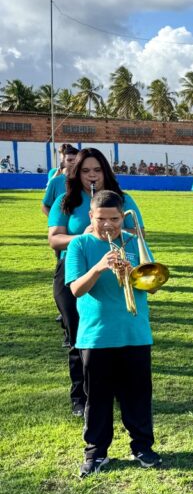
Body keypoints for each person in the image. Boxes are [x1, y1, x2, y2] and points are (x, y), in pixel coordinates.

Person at [65, 190, 161, 478]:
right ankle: (96, 452)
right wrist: (98, 267)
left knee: (138, 396)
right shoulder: (80, 244)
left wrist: (134, 273)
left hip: (135, 332)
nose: (108, 225)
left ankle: (142, 447)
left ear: (123, 217)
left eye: (114, 219)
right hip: (96, 336)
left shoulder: (134, 241)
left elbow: (153, 286)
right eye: (101, 219)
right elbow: (76, 289)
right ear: (91, 217)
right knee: (98, 398)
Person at [47, 148, 145, 417]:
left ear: (106, 172)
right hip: (74, 268)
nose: (92, 176)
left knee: (113, 333)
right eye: (85, 171)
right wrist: (84, 236)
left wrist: (110, 228)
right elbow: (54, 238)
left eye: (97, 170)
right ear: (76, 173)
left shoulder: (122, 199)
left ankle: (115, 391)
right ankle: (81, 395)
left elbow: (139, 232)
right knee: (78, 334)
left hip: (116, 266)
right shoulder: (66, 200)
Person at [42, 144, 79, 218]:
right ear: (64, 161)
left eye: (75, 160)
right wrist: (54, 220)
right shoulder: (55, 180)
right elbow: (45, 206)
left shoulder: (86, 180)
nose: (73, 162)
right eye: (69, 160)